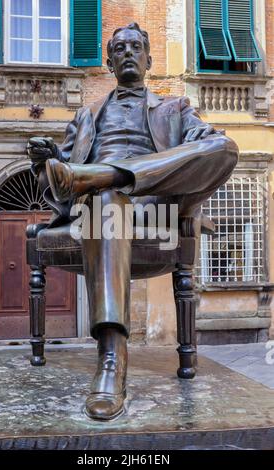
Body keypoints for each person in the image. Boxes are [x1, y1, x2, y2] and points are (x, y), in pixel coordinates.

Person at [27, 23, 238, 421]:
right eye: (120, 47)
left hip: (159, 210)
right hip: (100, 210)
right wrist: (47, 164)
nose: (128, 52)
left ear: (148, 60)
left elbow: (210, 151)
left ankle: (103, 174)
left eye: (136, 47)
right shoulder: (86, 115)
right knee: (106, 203)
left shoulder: (176, 108)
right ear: (108, 61)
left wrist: (92, 175)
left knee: (224, 146)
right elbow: (58, 193)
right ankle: (112, 360)